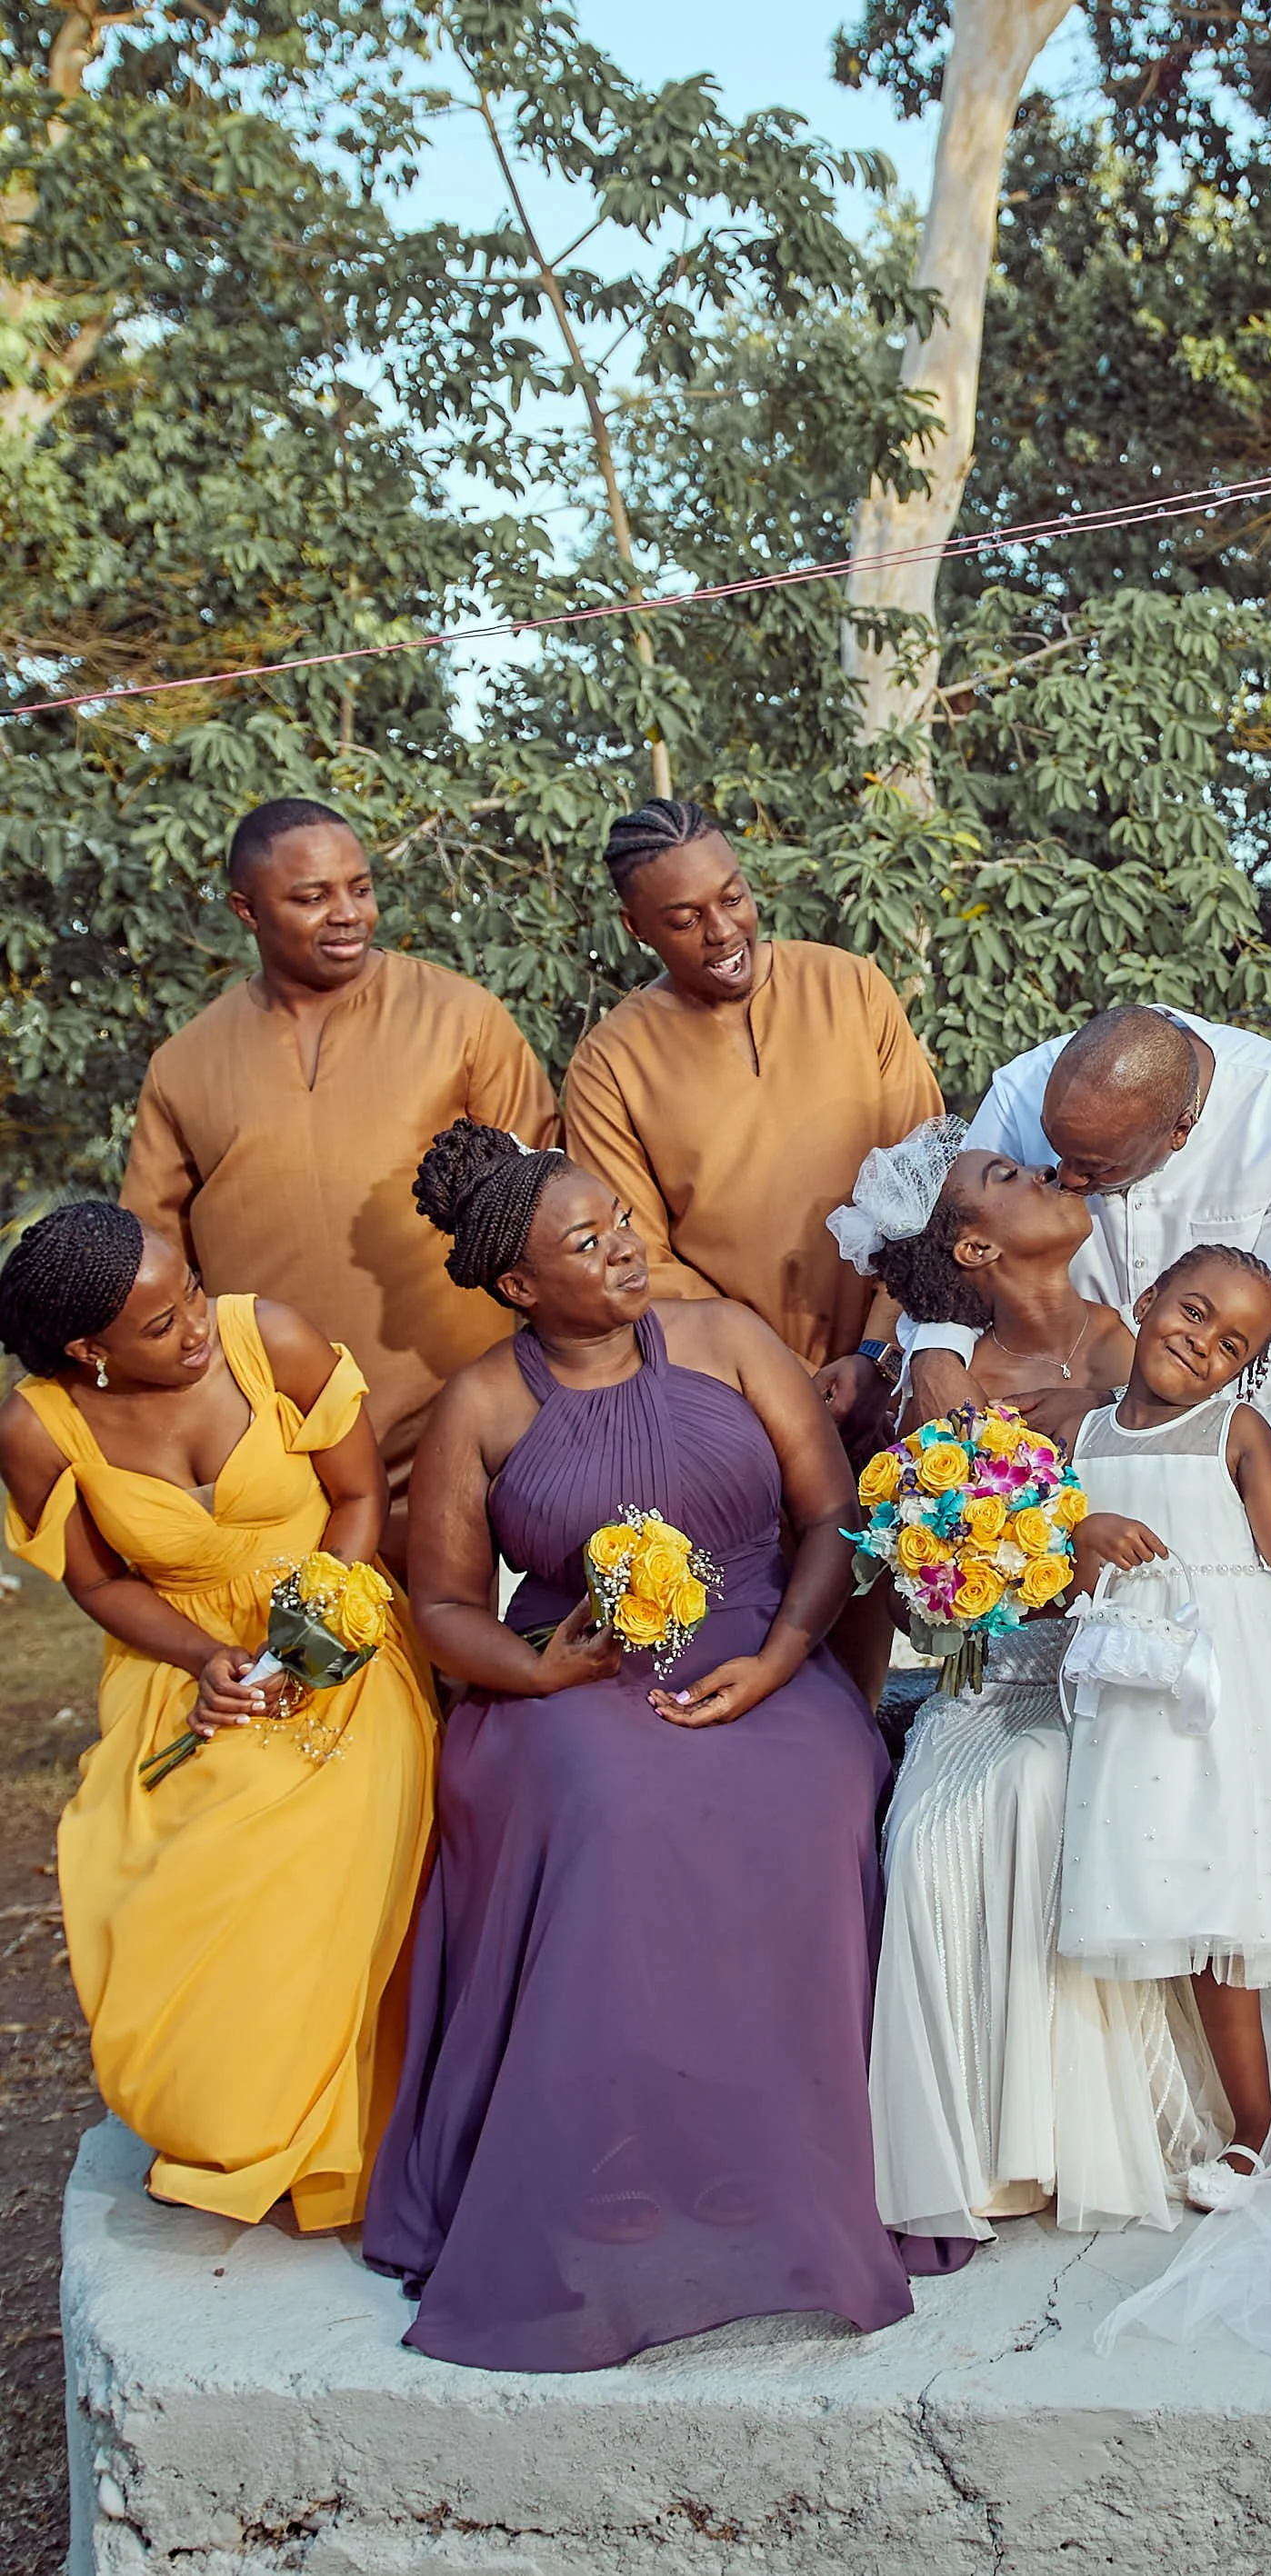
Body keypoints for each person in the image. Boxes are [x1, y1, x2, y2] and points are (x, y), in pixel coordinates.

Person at [362, 1123, 962, 2372]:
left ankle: (782, 2167)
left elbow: (830, 1517)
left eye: (621, 1222)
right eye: (588, 1242)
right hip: (575, 1673)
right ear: (520, 1284)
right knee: (610, 1805)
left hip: (761, 1640)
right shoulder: (481, 1402)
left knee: (811, 1792)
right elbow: (446, 1605)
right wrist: (539, 1667)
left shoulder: (726, 1337)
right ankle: (611, 2166)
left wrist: (783, 1657)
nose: (625, 1249)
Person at [0, 1203, 435, 2229]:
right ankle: (230, 2110)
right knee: (177, 1863)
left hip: (333, 1632)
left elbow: (358, 1497)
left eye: (191, 1289)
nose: (196, 1325)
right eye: (160, 1325)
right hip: (177, 1660)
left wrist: (309, 1629)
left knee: (314, 1830)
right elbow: (98, 1581)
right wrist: (205, 1659)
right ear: (88, 1350)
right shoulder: (37, 1428)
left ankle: (327, 2124)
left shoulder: (267, 1339)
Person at [834, 1122, 1223, 2244]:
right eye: (1005, 1175)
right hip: (995, 1676)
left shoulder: (1131, 1344)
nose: (1046, 1172)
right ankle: (995, 2136)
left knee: (1079, 1775)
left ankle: (1094, 2117)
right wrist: (1040, 1544)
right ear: (973, 1251)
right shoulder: (944, 1383)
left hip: (1127, 1664)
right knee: (968, 1810)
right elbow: (918, 1601)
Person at [121, 798, 557, 1568]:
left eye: (360, 887)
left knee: (482, 1641)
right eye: (312, 896)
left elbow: (548, 1209)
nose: (349, 914)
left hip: (473, 1433)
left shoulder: (462, 1018)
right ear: (246, 910)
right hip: (282, 1456)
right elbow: (149, 1264)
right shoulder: (184, 1065)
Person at [1058, 1246, 1271, 2210]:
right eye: (1194, 1312)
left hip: (1235, 1684)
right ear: (1146, 1298)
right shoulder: (1082, 1431)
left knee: (1228, 1909)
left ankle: (1255, 2130)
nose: (1202, 1344)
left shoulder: (1233, 1429)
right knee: (1169, 1891)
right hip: (1133, 1688)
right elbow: (1051, 1567)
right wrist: (1080, 1534)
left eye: (1232, 1344)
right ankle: (1181, 2100)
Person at [560, 798, 943, 1431]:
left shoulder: (850, 986)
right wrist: (783, 1378)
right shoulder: (608, 1064)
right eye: (685, 919)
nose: (722, 931)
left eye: (733, 898)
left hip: (904, 1360)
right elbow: (637, 1262)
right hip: (735, 1399)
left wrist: (876, 1355)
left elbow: (927, 1177)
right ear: (635, 927)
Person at [901, 1005, 1271, 1473]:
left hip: (1228, 1456)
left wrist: (1117, 1408)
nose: (1064, 1176)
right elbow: (955, 1232)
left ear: (1181, 1130)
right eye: (1054, 1147)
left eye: (1096, 1167)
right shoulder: (1020, 1090)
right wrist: (935, 1356)